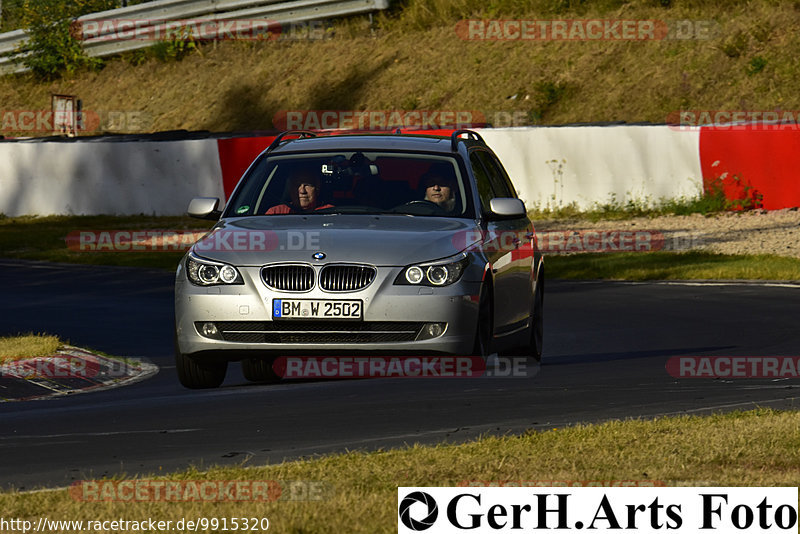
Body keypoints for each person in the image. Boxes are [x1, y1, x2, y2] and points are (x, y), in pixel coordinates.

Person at [266, 167, 334, 214]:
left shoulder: (330, 212)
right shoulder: (276, 213)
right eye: (297, 185)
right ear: (290, 189)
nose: (302, 191)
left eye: (307, 185)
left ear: (317, 188)